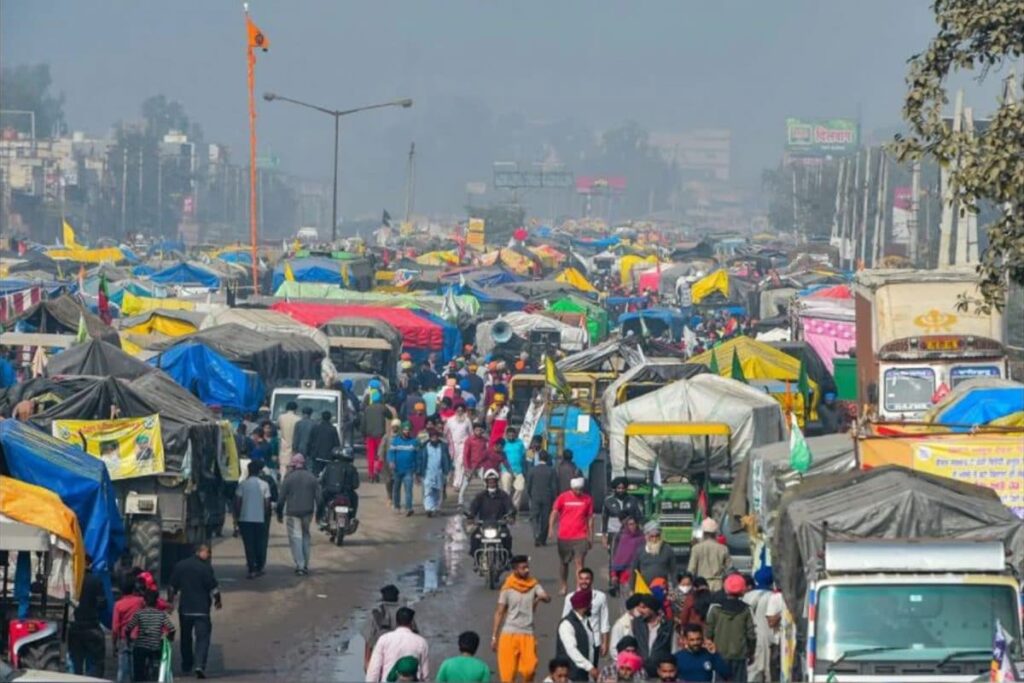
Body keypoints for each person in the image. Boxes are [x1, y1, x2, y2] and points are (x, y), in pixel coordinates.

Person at [493, 555, 551, 683]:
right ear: (515, 570)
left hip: (527, 633)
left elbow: (546, 597)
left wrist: (541, 598)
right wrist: (494, 636)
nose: (526, 570)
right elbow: (499, 612)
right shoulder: (507, 588)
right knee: (507, 676)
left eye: (527, 567)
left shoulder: (533, 584)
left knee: (529, 670)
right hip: (509, 634)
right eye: (523, 568)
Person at [168, 544, 221, 679]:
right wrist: (217, 601)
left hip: (185, 609)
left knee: (186, 638)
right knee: (202, 638)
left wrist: (170, 602)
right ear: (199, 552)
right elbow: (213, 587)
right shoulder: (205, 567)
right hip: (202, 610)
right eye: (207, 552)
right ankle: (199, 665)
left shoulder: (180, 566)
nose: (208, 555)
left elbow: (172, 586)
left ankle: (186, 665)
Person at [705, 573, 755, 683]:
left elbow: (708, 632)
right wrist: (751, 652)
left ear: (726, 589)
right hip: (740, 655)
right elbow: (751, 635)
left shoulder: (715, 609)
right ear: (743, 590)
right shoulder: (746, 610)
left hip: (719, 654)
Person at [549, 477, 594, 595]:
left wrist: (590, 536)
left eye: (580, 489)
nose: (578, 492)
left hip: (581, 536)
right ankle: (563, 585)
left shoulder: (587, 499)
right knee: (564, 563)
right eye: (576, 489)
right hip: (564, 536)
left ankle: (579, 588)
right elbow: (554, 512)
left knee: (579, 563)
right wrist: (551, 528)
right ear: (572, 488)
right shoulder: (563, 497)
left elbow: (590, 518)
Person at [277, 453, 320, 575]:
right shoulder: (312, 477)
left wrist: (279, 513)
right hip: (308, 512)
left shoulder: (289, 478)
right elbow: (319, 498)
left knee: (296, 538)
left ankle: (300, 565)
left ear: (293, 465)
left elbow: (281, 499)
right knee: (306, 535)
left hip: (293, 512)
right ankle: (305, 564)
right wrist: (319, 514)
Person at [366, 607, 429, 683]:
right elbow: (425, 675)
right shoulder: (421, 642)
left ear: (396, 622)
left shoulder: (384, 639)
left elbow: (374, 670)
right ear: (411, 622)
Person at [68, 555, 106, 677]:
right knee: (95, 663)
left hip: (74, 627)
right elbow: (102, 603)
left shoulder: (72, 581)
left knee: (75, 662)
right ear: (89, 564)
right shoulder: (95, 581)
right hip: (91, 626)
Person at [363, 585, 417, 670]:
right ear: (397, 597)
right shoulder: (405, 613)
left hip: (381, 657)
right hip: (402, 657)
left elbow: (369, 640)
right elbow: (415, 635)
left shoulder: (377, 613)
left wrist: (367, 662)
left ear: (383, 597)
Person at [126, 590, 175, 682]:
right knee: (158, 663)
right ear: (156, 602)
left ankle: (138, 679)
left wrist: (129, 639)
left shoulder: (139, 614)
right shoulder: (161, 614)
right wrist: (169, 638)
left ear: (144, 601)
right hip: (156, 646)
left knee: (138, 669)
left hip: (141, 646)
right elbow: (172, 629)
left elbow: (128, 628)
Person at [561, 567, 611, 659]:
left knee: (592, 670)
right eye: (581, 579)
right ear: (578, 580)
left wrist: (605, 643)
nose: (584, 581)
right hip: (576, 642)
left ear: (592, 580)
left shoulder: (600, 597)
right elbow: (564, 621)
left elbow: (605, 622)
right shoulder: (570, 598)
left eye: (587, 579)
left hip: (594, 642)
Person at [468, 469, 516, 561]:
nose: (491, 483)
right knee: (475, 537)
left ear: (497, 481)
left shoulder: (503, 495)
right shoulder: (480, 496)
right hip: (483, 525)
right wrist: (471, 516)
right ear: (486, 482)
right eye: (489, 481)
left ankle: (507, 556)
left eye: (493, 480)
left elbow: (510, 506)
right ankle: (477, 558)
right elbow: (473, 507)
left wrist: (511, 515)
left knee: (507, 537)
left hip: (500, 525)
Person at [235, 460, 271, 579]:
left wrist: (237, 517)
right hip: (260, 519)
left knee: (248, 545)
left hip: (245, 519)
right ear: (259, 471)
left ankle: (252, 568)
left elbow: (238, 502)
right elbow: (267, 503)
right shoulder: (264, 484)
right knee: (259, 543)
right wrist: (263, 515)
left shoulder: (243, 485)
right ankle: (259, 566)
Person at [556, 588, 598, 682]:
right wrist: (590, 667)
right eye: (590, 603)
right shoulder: (567, 624)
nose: (591, 606)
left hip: (585, 676)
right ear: (585, 605)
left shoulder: (585, 622)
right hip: (572, 676)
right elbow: (571, 650)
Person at [631, 594, 674, 678]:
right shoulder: (636, 623)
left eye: (644, 608)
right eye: (639, 607)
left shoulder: (668, 625)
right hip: (640, 671)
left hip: (662, 672)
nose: (640, 611)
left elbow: (673, 649)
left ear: (652, 609)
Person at [629, 521, 676, 591]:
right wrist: (632, 589)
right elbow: (634, 571)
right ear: (647, 537)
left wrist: (675, 587)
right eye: (652, 536)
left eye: (657, 536)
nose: (654, 539)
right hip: (644, 590)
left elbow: (673, 570)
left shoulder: (667, 549)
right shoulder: (640, 551)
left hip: (662, 590)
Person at [687, 518, 732, 592]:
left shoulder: (696, 548)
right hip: (718, 585)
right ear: (715, 533)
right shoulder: (723, 548)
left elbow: (691, 569)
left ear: (703, 533)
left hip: (701, 585)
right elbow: (730, 569)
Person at [319, 446, 361, 523]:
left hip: (330, 492)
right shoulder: (352, 468)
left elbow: (322, 480)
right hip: (346, 493)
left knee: (321, 499)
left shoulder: (329, 466)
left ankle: (321, 517)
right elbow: (356, 485)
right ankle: (352, 518)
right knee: (355, 498)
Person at [525, 449, 558, 546]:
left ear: (538, 458)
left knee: (534, 517)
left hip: (535, 495)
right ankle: (542, 538)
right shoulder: (551, 470)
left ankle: (536, 533)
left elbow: (529, 485)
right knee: (545, 518)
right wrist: (554, 498)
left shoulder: (532, 470)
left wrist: (530, 494)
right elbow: (554, 487)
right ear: (547, 459)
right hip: (547, 497)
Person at [388, 421, 421, 516]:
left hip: (409, 470)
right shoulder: (396, 441)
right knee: (396, 489)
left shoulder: (414, 442)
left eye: (408, 430)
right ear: (402, 430)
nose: (407, 431)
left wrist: (417, 470)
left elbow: (418, 456)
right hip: (397, 469)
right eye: (405, 429)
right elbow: (391, 453)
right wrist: (391, 461)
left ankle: (408, 508)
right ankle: (397, 506)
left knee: (408, 490)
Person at [419, 429, 451, 517]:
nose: (434, 438)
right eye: (432, 437)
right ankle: (428, 509)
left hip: (439, 472)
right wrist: (419, 472)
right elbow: (421, 460)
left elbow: (447, 459)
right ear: (430, 438)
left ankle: (436, 508)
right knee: (428, 491)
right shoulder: (425, 447)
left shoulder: (443, 447)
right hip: (428, 472)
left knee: (437, 491)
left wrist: (448, 471)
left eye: (436, 437)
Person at [445, 403, 473, 502]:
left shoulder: (467, 420)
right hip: (453, 445)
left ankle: (457, 484)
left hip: (463, 445)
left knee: (460, 463)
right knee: (454, 464)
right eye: (458, 410)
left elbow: (471, 433)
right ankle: (451, 480)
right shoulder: (450, 420)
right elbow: (445, 433)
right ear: (455, 411)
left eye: (461, 410)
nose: (460, 412)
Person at [610, 516, 644, 596]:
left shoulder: (642, 539)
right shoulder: (623, 539)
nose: (632, 526)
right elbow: (617, 559)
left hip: (640, 576)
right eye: (630, 524)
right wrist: (614, 575)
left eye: (633, 524)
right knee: (626, 603)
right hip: (625, 576)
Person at [363, 393, 393, 483]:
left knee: (370, 456)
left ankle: (371, 474)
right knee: (380, 455)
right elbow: (390, 416)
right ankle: (377, 470)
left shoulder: (367, 409)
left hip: (370, 435)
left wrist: (364, 434)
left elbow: (363, 423)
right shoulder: (382, 407)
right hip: (380, 435)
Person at [459, 421, 490, 506]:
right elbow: (466, 454)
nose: (479, 432)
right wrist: (466, 467)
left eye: (480, 430)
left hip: (482, 465)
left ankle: (489, 497)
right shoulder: (469, 440)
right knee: (465, 483)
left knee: (485, 481)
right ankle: (460, 500)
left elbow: (488, 452)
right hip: (471, 465)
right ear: (474, 430)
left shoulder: (485, 440)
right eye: (477, 430)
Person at [501, 426, 528, 508]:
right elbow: (501, 457)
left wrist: (525, 470)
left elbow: (524, 457)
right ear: (506, 435)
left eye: (513, 435)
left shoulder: (520, 443)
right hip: (506, 470)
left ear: (516, 435)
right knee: (506, 490)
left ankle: (514, 507)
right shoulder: (503, 443)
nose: (511, 437)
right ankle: (506, 507)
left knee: (520, 488)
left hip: (518, 470)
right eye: (509, 435)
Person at [277, 400, 301, 477]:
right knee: (293, 469)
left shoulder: (281, 417)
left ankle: (282, 485)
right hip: (294, 447)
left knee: (283, 469)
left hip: (283, 446)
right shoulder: (298, 419)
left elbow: (278, 429)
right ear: (295, 409)